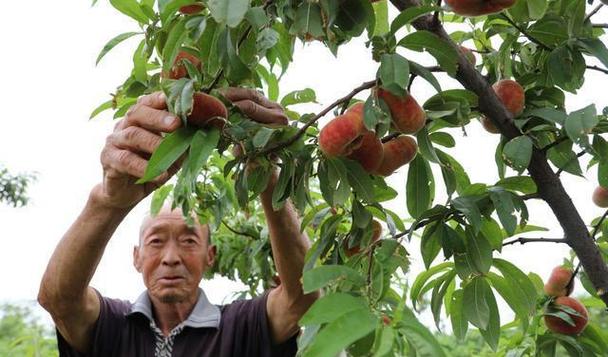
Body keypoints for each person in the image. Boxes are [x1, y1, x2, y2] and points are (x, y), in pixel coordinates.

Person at [38, 88, 319, 356]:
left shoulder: (241, 326)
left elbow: (302, 299)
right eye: (156, 241)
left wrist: (266, 176)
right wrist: (108, 202)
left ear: (210, 256)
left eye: (188, 241)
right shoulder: (113, 326)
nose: (171, 258)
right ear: (137, 257)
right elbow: (59, 300)